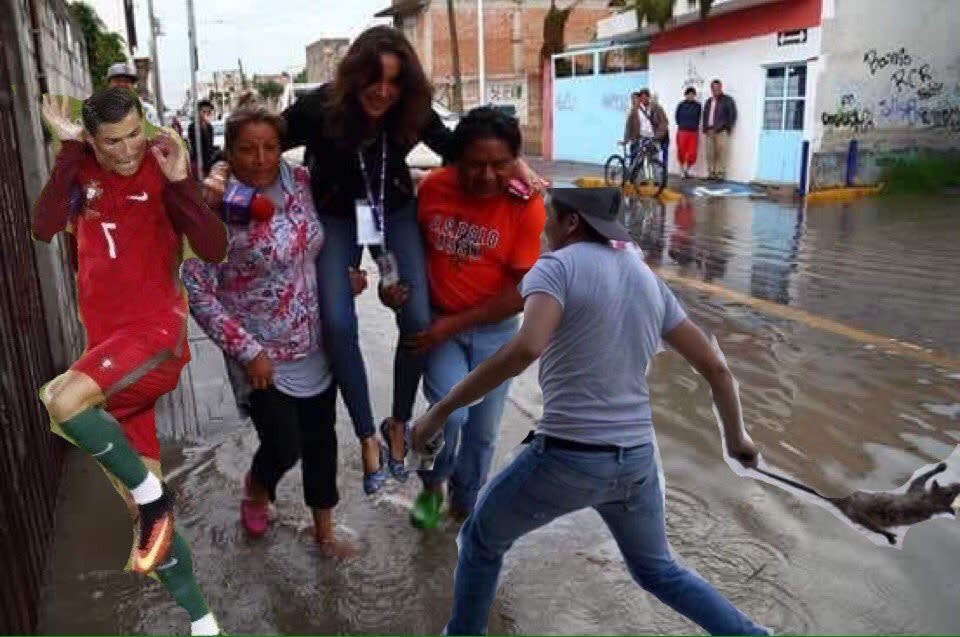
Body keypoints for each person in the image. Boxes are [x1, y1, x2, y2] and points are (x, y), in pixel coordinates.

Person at [201, 26, 545, 495]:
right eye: (374, 79)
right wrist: (219, 172)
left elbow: (457, 147)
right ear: (354, 75)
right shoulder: (320, 107)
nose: (383, 91)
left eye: (395, 81)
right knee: (339, 323)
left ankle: (399, 423)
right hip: (338, 214)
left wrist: (518, 166)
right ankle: (365, 433)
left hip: (393, 211)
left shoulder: (410, 111)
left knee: (418, 317)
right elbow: (260, 140)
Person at [411, 187, 768, 636]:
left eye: (549, 218)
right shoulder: (646, 279)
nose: (543, 228)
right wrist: (738, 440)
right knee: (658, 570)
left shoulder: (557, 267)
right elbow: (716, 367)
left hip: (567, 457)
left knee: (480, 540)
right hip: (637, 461)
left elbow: (526, 348)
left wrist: (440, 410)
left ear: (571, 222)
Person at [32, 89, 227, 635]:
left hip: (155, 340)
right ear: (93, 141)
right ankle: (205, 623)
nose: (126, 150)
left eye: (134, 134)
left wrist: (182, 181)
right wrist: (69, 150)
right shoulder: (82, 173)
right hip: (108, 353)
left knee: (61, 400)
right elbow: (45, 225)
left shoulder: (163, 168)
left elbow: (213, 247)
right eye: (112, 141)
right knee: (148, 525)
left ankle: (153, 497)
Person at [182, 103, 363, 557]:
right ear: (229, 151)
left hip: (314, 338)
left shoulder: (300, 182)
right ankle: (257, 486)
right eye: (247, 149)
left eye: (270, 147)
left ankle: (324, 532)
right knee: (284, 445)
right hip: (259, 350)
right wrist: (246, 350)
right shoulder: (212, 206)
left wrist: (343, 281)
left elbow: (316, 244)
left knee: (322, 440)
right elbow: (198, 290)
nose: (261, 159)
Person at [382, 107, 545, 529]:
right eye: (476, 164)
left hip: (496, 334)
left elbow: (521, 292)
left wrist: (451, 325)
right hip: (441, 329)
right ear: (455, 160)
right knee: (450, 415)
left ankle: (465, 502)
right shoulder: (434, 188)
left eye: (500, 164)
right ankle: (433, 484)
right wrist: (391, 287)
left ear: (516, 161)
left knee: (483, 432)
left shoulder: (526, 205)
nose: (488, 175)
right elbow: (401, 249)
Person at [105, 61, 161, 127]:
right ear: (109, 84)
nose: (122, 84)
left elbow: (155, 134)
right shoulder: (96, 110)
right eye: (118, 80)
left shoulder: (147, 110)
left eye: (127, 81)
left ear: (133, 86)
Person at [702, 79, 737, 181]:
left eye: (717, 87)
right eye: (713, 88)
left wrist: (727, 128)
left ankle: (720, 174)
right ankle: (711, 173)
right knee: (710, 153)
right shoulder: (708, 101)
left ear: (721, 87)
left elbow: (732, 115)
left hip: (721, 131)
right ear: (711, 88)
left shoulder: (728, 100)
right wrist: (705, 129)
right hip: (709, 131)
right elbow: (705, 115)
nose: (715, 89)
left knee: (721, 153)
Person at [624, 88, 668, 163]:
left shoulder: (656, 108)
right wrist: (626, 139)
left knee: (653, 159)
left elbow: (664, 123)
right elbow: (629, 125)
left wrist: (657, 136)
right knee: (637, 161)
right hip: (640, 137)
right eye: (642, 97)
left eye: (646, 97)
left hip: (653, 138)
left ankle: (652, 174)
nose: (644, 99)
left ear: (649, 97)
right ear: (640, 98)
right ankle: (634, 173)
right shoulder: (635, 109)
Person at [675, 87, 702, 179]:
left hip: (693, 132)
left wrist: (693, 126)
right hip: (682, 131)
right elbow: (677, 117)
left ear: (694, 95)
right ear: (685, 95)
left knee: (692, 153)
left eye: (692, 94)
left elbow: (698, 118)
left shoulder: (698, 106)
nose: (691, 96)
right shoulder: (681, 105)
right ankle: (682, 170)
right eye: (689, 94)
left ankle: (687, 170)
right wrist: (682, 125)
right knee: (681, 151)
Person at [188, 99, 216, 178]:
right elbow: (195, 145)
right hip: (198, 162)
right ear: (198, 112)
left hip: (209, 162)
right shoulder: (193, 126)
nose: (206, 114)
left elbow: (210, 144)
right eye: (204, 112)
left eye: (208, 112)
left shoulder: (209, 126)